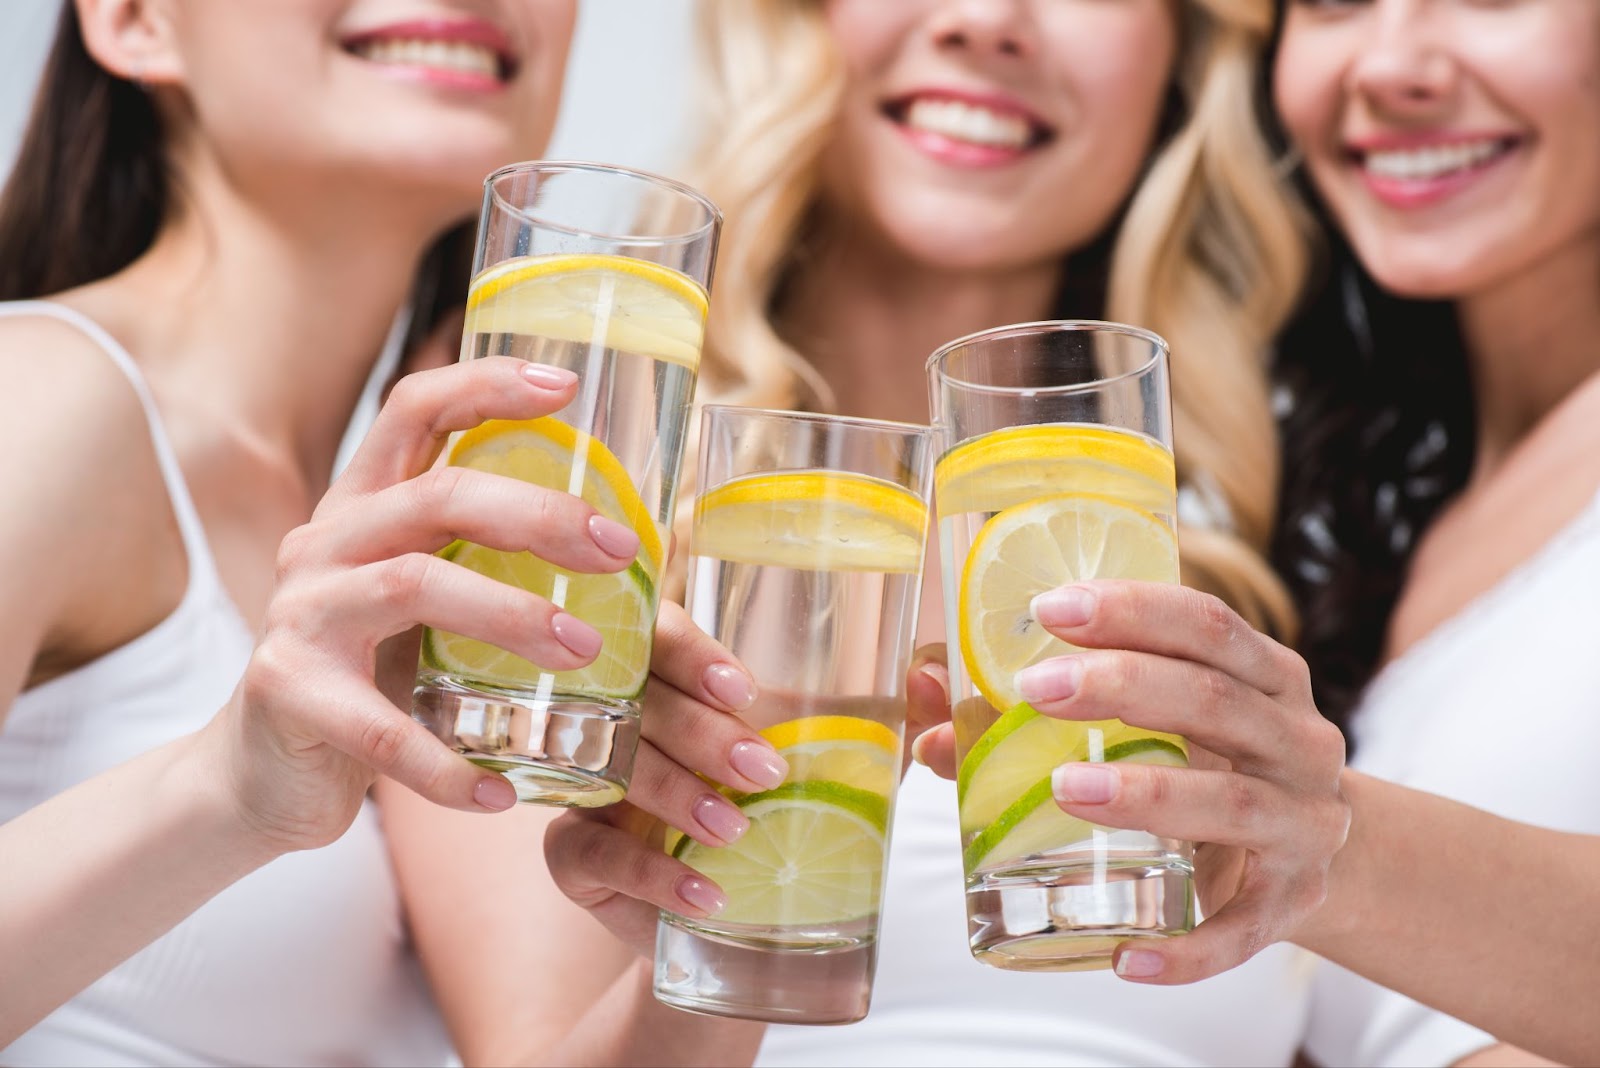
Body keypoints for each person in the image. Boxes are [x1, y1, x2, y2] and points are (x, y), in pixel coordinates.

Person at [537, 1, 1593, 1065]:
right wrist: (730, 926)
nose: (989, 20)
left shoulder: (1274, 538)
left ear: (1177, 55)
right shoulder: (587, 446)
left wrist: (1322, 844)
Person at [0, 1, 777, 1063]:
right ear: (137, 21)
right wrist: (224, 792)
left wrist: (720, 917)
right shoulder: (36, 399)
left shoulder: (454, 523)